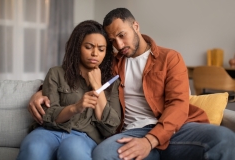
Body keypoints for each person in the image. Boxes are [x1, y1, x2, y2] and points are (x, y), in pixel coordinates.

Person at [28, 8, 235, 160]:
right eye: (112, 41)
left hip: (176, 129)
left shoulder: (169, 58)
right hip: (131, 132)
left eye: (122, 35)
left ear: (135, 26)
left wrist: (150, 141)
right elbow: (78, 77)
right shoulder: (111, 64)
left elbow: (178, 105)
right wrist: (40, 91)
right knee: (102, 154)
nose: (118, 45)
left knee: (224, 138)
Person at [17, 20, 121, 160]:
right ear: (77, 47)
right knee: (34, 147)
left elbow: (111, 127)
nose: (95, 53)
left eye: (101, 49)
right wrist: (75, 108)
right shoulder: (56, 73)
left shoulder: (112, 83)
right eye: (89, 47)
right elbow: (48, 115)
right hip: (49, 132)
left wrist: (97, 85)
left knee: (72, 149)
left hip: (84, 136)